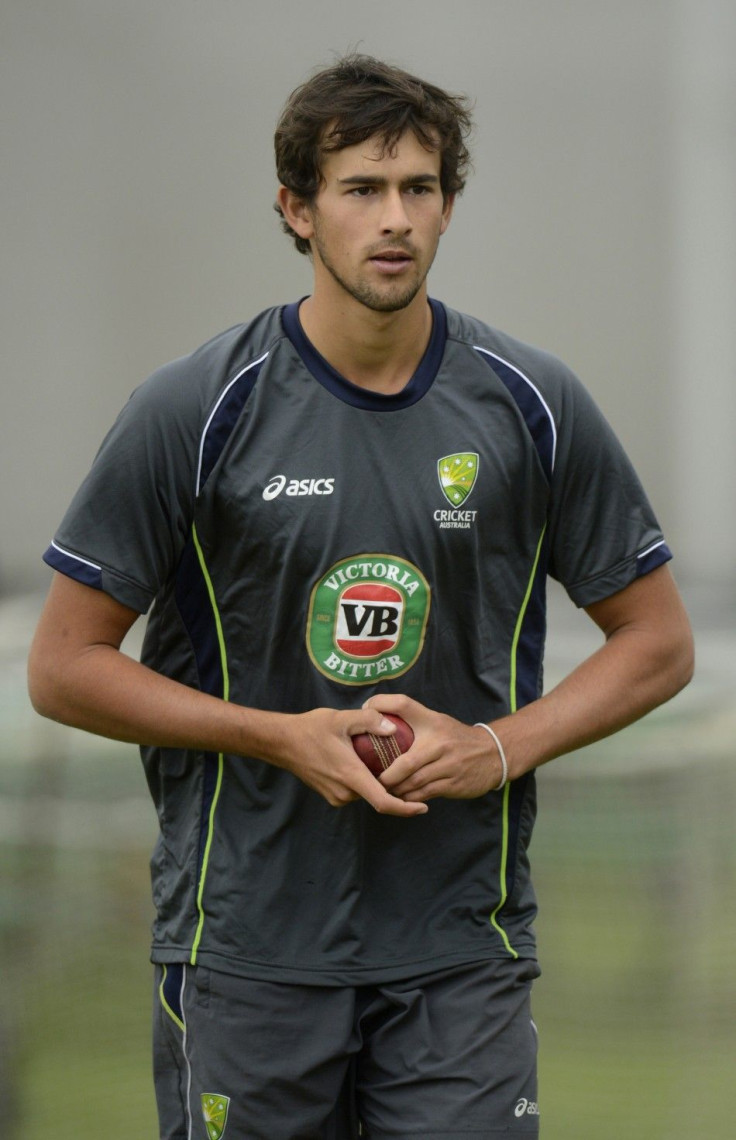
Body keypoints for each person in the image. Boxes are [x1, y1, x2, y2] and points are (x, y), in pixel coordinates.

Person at [28, 53, 693, 1140]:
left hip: (458, 950)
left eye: (419, 189)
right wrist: (275, 736)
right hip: (246, 950)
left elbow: (657, 641)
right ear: (296, 210)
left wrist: (498, 748)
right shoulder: (196, 406)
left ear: (446, 206)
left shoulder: (529, 401)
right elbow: (63, 668)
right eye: (361, 189)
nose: (395, 219)